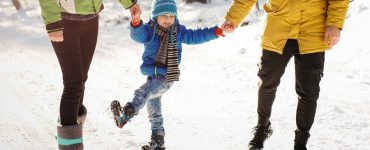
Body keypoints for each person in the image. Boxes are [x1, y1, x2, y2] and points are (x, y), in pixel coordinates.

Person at [221, 0, 349, 149]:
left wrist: (334, 24)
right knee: (266, 83)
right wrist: (232, 19)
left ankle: (301, 142)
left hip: (313, 31)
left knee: (308, 92)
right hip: (278, 29)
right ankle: (262, 128)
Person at [110, 0, 225, 149]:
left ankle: (125, 115)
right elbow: (138, 36)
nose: (167, 19)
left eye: (171, 15)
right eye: (163, 15)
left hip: (166, 76)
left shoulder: (178, 31)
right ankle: (158, 141)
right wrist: (136, 21)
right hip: (153, 75)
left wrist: (215, 32)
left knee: (143, 92)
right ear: (155, 16)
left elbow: (196, 36)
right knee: (154, 109)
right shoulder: (150, 31)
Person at [38, 0, 141, 149]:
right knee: (73, 83)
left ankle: (69, 135)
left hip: (90, 19)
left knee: (81, 80)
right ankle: (69, 144)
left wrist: (130, 3)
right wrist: (53, 22)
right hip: (64, 19)